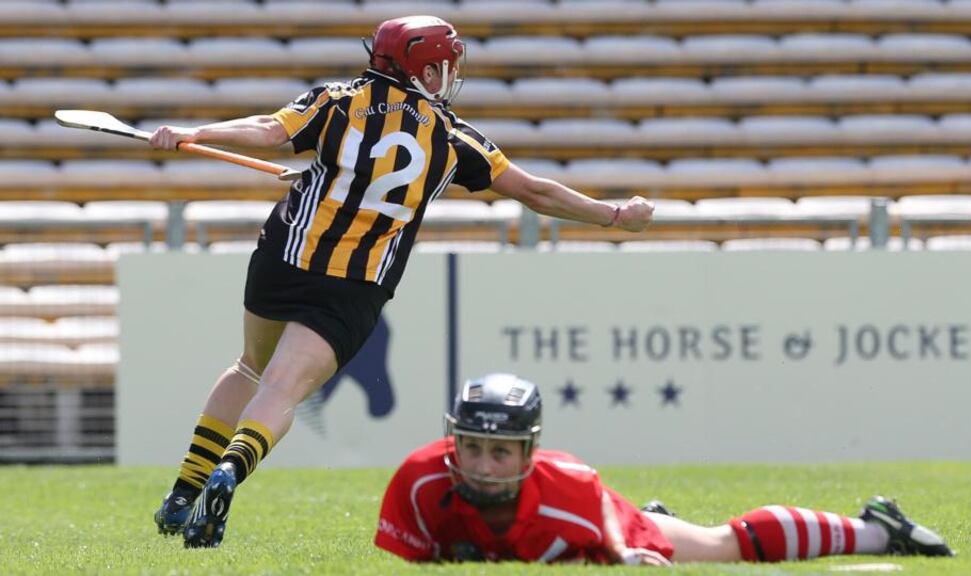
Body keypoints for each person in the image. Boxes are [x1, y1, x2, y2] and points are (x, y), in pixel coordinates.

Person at [148, 15, 654, 548]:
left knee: (250, 366)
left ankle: (185, 490)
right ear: (423, 70)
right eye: (443, 66)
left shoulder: (339, 100)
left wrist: (197, 132)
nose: (449, 75)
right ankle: (230, 468)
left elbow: (270, 131)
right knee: (281, 389)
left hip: (286, 257)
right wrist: (615, 214)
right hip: (355, 284)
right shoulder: (455, 137)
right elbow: (536, 192)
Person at [375, 373, 954, 565]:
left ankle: (878, 530)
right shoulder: (420, 479)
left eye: (500, 452)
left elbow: (592, 497)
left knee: (723, 545)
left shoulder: (570, 495)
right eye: (473, 446)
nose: (482, 465)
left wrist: (623, 549)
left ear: (530, 453)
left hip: (608, 531)